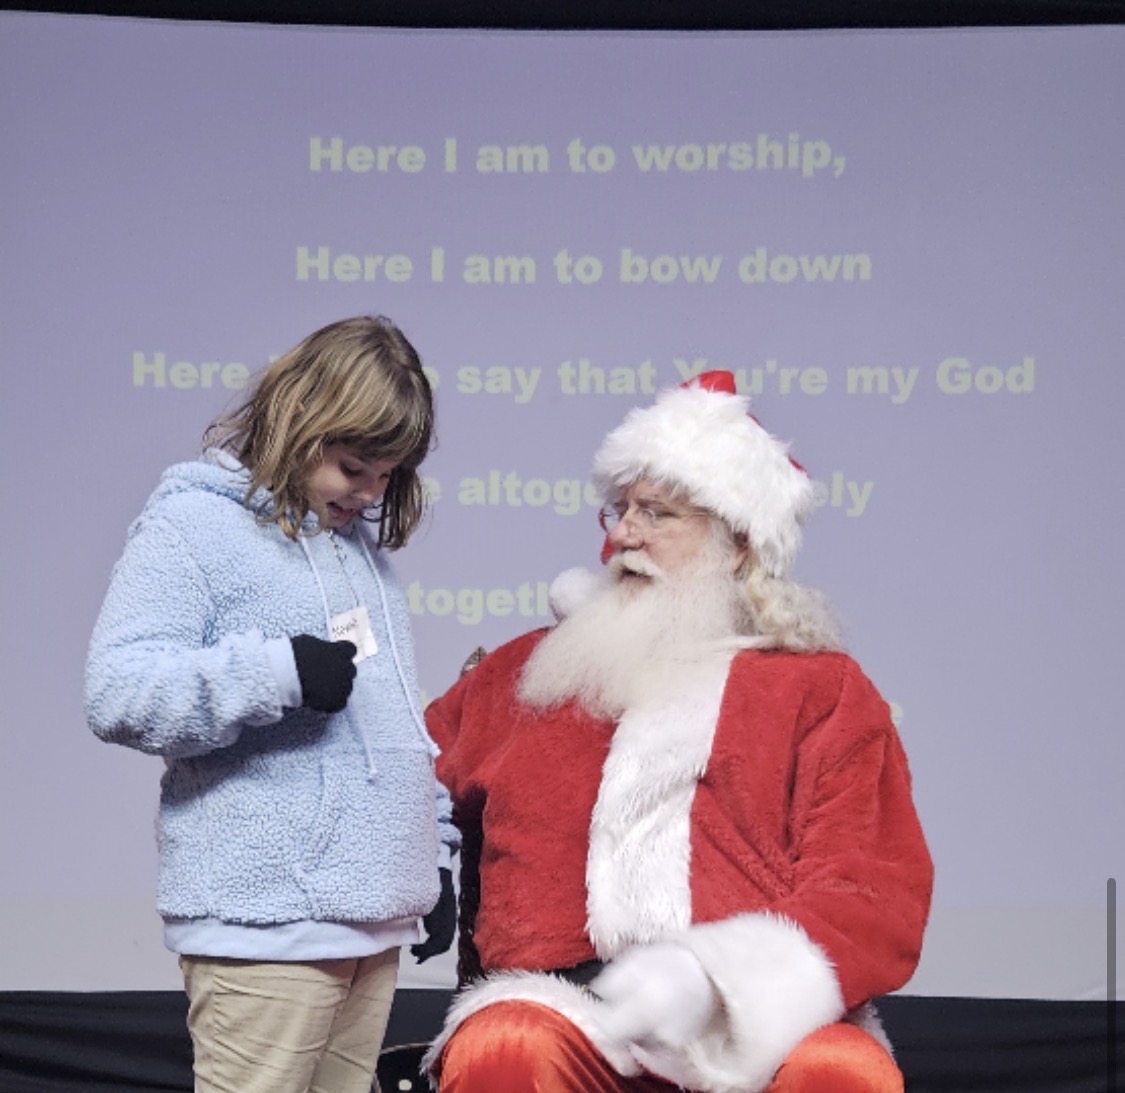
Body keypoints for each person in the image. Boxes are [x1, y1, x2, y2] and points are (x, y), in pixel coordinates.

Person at [421, 371, 933, 1093]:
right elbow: (404, 775)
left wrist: (714, 978)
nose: (622, 535)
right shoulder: (525, 671)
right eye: (619, 510)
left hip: (753, 1025)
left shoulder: (820, 689)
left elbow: (869, 886)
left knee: (843, 1073)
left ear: (737, 543)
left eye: (655, 514)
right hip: (566, 1005)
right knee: (504, 1047)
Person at [85, 315, 460, 1093]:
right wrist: (276, 672)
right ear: (299, 419)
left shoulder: (356, 552)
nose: (369, 492)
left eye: (386, 474)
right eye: (353, 466)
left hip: (369, 920)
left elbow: (390, 722)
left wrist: (430, 858)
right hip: (262, 923)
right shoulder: (193, 525)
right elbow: (117, 689)